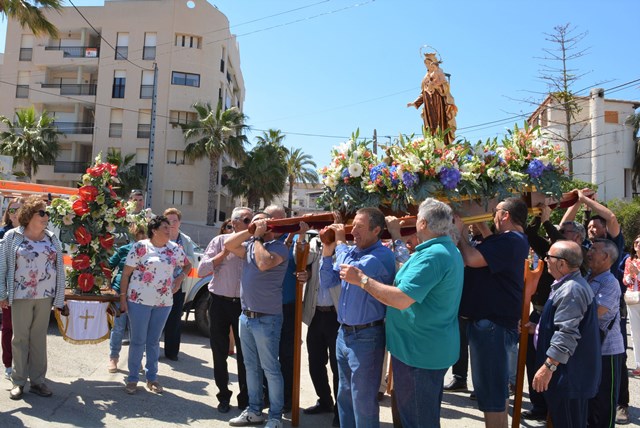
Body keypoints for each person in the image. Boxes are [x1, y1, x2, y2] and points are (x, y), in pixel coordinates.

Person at [341, 198, 464, 427]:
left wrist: (362, 280)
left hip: (419, 354)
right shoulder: (442, 249)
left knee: (417, 421)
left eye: (417, 218)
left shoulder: (434, 255)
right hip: (423, 349)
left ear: (424, 223)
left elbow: (400, 299)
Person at [454, 197, 529, 428]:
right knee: (493, 393)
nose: (491, 215)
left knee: (492, 395)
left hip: (491, 326)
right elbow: (491, 244)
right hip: (492, 324)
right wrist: (479, 225)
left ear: (505, 215)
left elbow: (472, 258)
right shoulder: (510, 240)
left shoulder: (511, 240)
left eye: (494, 211)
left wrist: (459, 235)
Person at [320, 207, 396, 428]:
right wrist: (327, 250)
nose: (353, 231)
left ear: (377, 230)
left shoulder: (382, 255)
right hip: (343, 333)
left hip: (367, 336)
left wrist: (340, 241)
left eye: (359, 227)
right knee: (344, 397)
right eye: (353, 226)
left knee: (362, 401)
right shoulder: (352, 251)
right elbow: (327, 281)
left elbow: (350, 271)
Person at [225, 211, 290, 428]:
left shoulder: (279, 247)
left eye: (264, 222)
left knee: (270, 368)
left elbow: (263, 263)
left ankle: (275, 416)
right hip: (247, 316)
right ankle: (254, 410)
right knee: (250, 366)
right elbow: (229, 245)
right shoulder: (252, 244)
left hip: (267, 318)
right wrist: (249, 231)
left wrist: (259, 237)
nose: (259, 225)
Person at [0, 195, 67, 400]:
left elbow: (60, 269)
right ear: (29, 215)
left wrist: (60, 298)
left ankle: (38, 381)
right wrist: (2, 293)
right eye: (42, 212)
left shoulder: (51, 238)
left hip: (45, 296)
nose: (46, 216)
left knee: (39, 340)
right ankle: (18, 381)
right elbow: (2, 266)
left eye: (47, 212)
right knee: (20, 339)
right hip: (20, 295)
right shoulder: (13, 236)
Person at [530, 241, 601, 427]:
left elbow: (567, 333)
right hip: (567, 376)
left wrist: (548, 367)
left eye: (549, 257)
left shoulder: (571, 289)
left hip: (569, 378)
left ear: (562, 263)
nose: (545, 260)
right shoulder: (567, 284)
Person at [119, 215, 191, 395]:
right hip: (138, 301)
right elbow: (126, 274)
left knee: (153, 341)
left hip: (164, 302)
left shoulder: (175, 249)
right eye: (165, 227)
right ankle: (133, 378)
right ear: (154, 230)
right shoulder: (140, 247)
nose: (169, 230)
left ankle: (152, 378)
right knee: (137, 340)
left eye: (170, 227)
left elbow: (188, 266)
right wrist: (122, 298)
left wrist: (179, 279)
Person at [198, 206, 253, 413]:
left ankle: (245, 397)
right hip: (218, 302)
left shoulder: (253, 244)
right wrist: (223, 253)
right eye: (247, 220)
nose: (251, 224)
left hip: (242, 305)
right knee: (219, 351)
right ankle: (223, 396)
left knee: (245, 354)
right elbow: (202, 269)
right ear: (235, 222)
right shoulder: (219, 242)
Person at [300, 233, 341, 427]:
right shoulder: (315, 244)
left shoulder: (344, 246)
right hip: (316, 314)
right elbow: (299, 259)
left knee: (338, 366)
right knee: (315, 362)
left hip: (337, 316)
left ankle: (341, 412)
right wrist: (301, 235)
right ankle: (325, 401)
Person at [585, 238, 625, 428]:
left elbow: (596, 313)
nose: (589, 252)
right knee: (589, 401)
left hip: (607, 350)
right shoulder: (587, 277)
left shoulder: (610, 282)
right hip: (589, 348)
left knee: (604, 402)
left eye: (594, 249)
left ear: (606, 256)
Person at [107, 224, 147, 373]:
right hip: (119, 293)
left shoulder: (149, 252)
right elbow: (108, 266)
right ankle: (113, 358)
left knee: (136, 330)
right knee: (118, 327)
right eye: (138, 233)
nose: (141, 236)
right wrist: (109, 287)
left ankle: (136, 360)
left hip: (139, 295)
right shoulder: (124, 250)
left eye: (143, 233)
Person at [162, 207, 196, 361]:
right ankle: (153, 349)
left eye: (175, 220)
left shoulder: (186, 240)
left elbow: (191, 260)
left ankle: (172, 352)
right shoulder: (160, 237)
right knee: (157, 319)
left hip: (178, 284)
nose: (172, 223)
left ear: (180, 222)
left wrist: (178, 263)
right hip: (159, 285)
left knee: (175, 319)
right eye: (169, 220)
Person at [407, 50, 458, 143]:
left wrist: (435, 86)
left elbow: (445, 87)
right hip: (428, 105)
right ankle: (432, 145)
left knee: (439, 124)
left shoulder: (439, 73)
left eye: (429, 63)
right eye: (426, 64)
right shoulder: (425, 77)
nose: (427, 66)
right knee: (430, 126)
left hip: (438, 103)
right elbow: (423, 93)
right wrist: (415, 103)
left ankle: (442, 144)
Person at [0, 197, 23, 380]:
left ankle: (24, 365)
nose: (15, 212)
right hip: (7, 289)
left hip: (25, 290)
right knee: (8, 328)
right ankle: (8, 364)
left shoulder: (32, 233)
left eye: (19, 209)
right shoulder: (3, 233)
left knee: (25, 331)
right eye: (12, 209)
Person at [623, 235, 640, 377]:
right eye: (636, 243)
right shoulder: (630, 261)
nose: (638, 245)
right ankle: (639, 364)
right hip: (633, 299)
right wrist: (632, 276)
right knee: (635, 333)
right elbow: (625, 280)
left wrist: (638, 274)